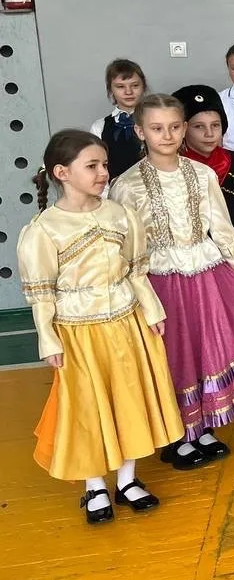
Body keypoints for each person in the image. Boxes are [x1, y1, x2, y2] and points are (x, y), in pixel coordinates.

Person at [18, 130, 184, 524]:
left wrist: (152, 312)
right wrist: (48, 339)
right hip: (78, 332)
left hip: (126, 323)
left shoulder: (119, 215)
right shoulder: (44, 229)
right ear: (62, 173)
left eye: (104, 165)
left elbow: (136, 271)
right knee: (87, 406)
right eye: (91, 166)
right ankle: (94, 485)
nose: (103, 173)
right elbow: (41, 294)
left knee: (129, 399)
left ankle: (127, 480)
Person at [110, 94, 234, 470]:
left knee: (206, 347)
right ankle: (178, 434)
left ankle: (203, 427)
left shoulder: (202, 175)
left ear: (184, 128)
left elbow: (222, 227)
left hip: (206, 275)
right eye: (157, 128)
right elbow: (126, 246)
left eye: (174, 127)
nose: (167, 135)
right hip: (160, 282)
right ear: (140, 132)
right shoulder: (128, 185)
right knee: (176, 353)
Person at [174, 84, 234, 258]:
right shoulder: (174, 167)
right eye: (199, 126)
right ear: (183, 129)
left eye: (215, 125)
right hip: (192, 254)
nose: (209, 133)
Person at [91, 58, 147, 181]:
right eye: (120, 86)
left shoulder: (156, 122)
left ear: (143, 86)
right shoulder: (99, 127)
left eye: (135, 85)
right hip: (112, 190)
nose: (128, 92)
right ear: (111, 89)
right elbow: (96, 166)